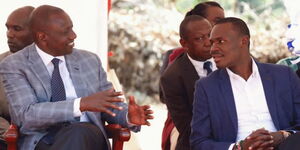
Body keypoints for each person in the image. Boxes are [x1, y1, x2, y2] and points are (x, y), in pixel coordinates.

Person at [0, 5, 153, 150]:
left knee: (78, 132)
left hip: (88, 137)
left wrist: (128, 116)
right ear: (42, 37)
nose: (73, 35)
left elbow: (109, 105)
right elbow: (26, 115)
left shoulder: (89, 60)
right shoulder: (15, 65)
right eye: (65, 32)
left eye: (71, 28)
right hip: (42, 141)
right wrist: (80, 104)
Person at [191, 17, 300, 150]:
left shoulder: (284, 75)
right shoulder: (206, 87)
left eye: (220, 41)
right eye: (212, 43)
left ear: (244, 41)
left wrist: (283, 136)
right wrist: (238, 147)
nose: (213, 49)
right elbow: (199, 142)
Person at [160, 15, 218, 150]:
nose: (208, 42)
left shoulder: (229, 58)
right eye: (199, 38)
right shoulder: (172, 77)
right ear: (184, 44)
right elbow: (187, 127)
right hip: (198, 139)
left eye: (210, 35)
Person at [0, 6, 34, 147]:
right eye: (8, 28)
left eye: (17, 29)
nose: (9, 34)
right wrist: (9, 133)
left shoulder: (57, 63)